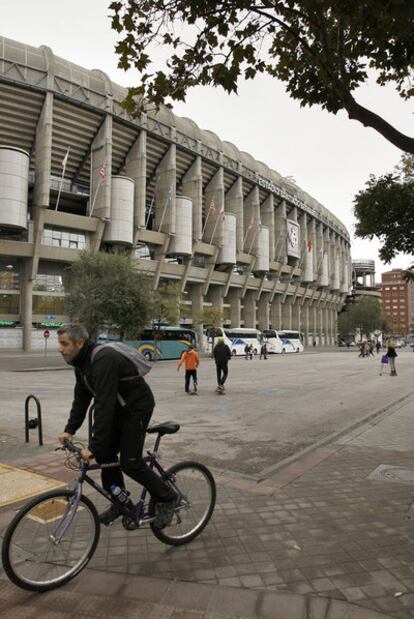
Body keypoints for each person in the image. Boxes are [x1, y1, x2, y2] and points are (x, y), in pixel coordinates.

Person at [57, 323, 177, 529]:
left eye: (64, 343)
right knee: (105, 457)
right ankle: (121, 502)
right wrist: (70, 429)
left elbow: (104, 404)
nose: (60, 348)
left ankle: (167, 498)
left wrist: (93, 446)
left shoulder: (104, 360)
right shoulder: (81, 363)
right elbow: (81, 399)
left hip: (136, 409)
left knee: (130, 463)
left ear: (79, 343)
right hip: (118, 409)